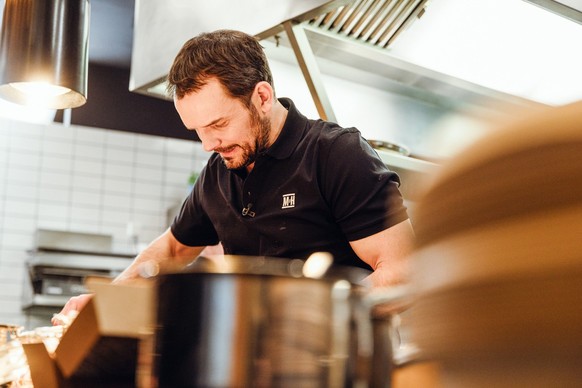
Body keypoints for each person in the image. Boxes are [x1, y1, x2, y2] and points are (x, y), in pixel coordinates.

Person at [54, 29, 415, 323]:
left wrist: (307, 323)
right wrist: (107, 301)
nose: (208, 144)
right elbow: (174, 248)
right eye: (197, 130)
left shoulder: (337, 154)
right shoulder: (219, 172)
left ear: (262, 96)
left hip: (339, 365)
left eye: (219, 124)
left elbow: (401, 271)